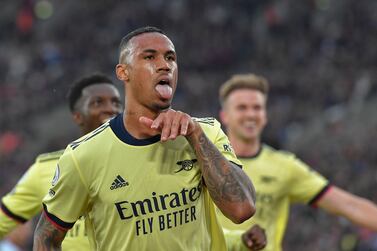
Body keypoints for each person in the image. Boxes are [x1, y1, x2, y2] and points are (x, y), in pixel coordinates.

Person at [33, 26, 257, 251]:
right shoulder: (84, 156)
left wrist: (195, 135)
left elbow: (242, 210)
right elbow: (46, 239)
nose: (164, 64)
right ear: (123, 72)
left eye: (170, 58)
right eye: (150, 57)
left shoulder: (206, 133)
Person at [216, 73, 377, 251]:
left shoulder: (284, 166)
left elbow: (349, 205)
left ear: (265, 115)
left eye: (257, 108)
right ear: (224, 115)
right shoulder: (202, 163)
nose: (251, 114)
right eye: (242, 108)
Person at [0, 73, 122, 250]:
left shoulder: (143, 160)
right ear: (77, 116)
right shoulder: (46, 169)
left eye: (116, 103)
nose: (111, 109)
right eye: (98, 102)